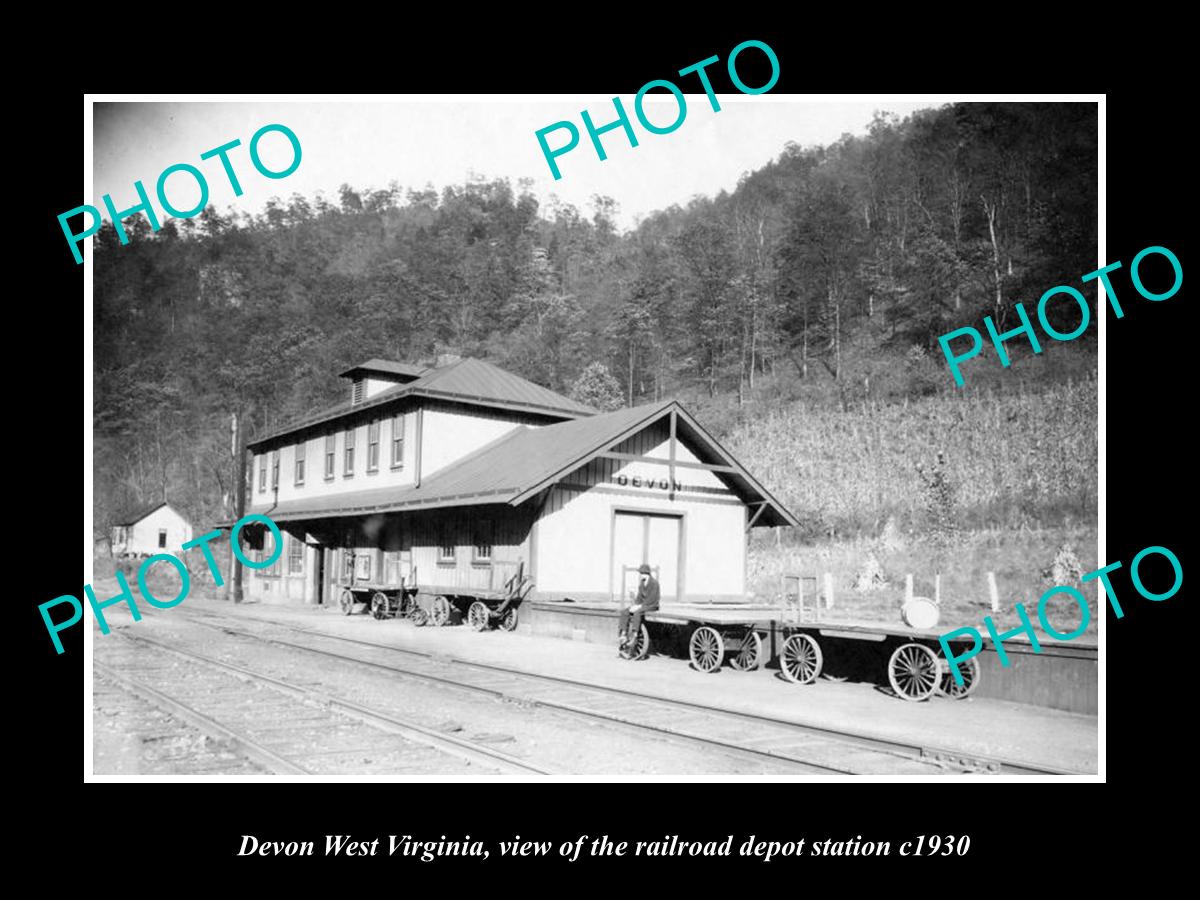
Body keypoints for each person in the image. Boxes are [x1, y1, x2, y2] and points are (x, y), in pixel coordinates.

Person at [618, 563, 660, 658]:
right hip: (642, 605)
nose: (641, 575)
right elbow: (639, 598)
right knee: (625, 611)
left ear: (648, 574)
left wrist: (639, 607)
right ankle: (623, 634)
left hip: (652, 605)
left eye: (643, 573)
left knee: (637, 612)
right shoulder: (641, 584)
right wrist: (635, 605)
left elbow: (652, 599)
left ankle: (635, 635)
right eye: (641, 573)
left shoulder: (654, 584)